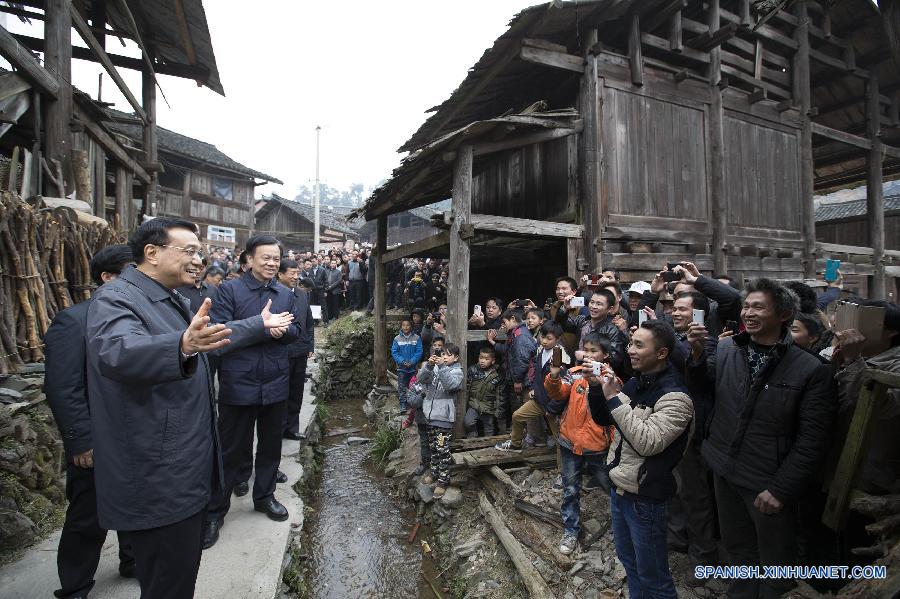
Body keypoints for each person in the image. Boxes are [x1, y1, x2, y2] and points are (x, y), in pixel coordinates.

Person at [85, 218, 236, 599]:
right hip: (158, 473)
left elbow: (208, 337)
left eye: (199, 252)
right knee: (168, 584)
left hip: (182, 467)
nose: (198, 259)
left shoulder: (167, 297)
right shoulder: (117, 298)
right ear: (151, 253)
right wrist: (182, 346)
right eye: (189, 251)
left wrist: (257, 325)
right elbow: (118, 351)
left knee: (178, 579)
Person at [687, 278, 836, 599]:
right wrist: (698, 353)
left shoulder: (810, 369)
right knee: (740, 552)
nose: (749, 313)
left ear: (783, 314)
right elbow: (704, 387)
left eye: (759, 307)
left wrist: (781, 488)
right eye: (746, 306)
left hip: (767, 481)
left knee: (776, 567)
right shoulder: (728, 348)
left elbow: (813, 439)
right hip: (725, 470)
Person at [45, 244, 136, 599]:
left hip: (135, 434)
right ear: (108, 277)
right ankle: (75, 585)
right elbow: (62, 386)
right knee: (87, 516)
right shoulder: (75, 320)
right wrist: (80, 440)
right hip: (96, 440)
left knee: (135, 505)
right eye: (130, 271)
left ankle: (132, 561)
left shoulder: (138, 316)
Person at [204, 235, 301, 549]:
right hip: (239, 382)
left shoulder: (285, 294)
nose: (272, 263)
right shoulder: (229, 290)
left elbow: (295, 331)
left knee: (271, 447)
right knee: (230, 450)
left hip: (275, 382)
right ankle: (216, 512)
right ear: (249, 258)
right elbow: (220, 335)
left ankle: (265, 496)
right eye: (266, 258)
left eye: (276, 258)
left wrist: (283, 331)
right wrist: (261, 326)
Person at [589, 321, 694, 599]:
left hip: (646, 497)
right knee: (631, 564)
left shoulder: (676, 397)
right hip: (621, 489)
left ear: (661, 353)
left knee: (654, 577)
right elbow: (604, 418)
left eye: (638, 345)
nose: (630, 351)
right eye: (630, 343)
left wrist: (612, 397)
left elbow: (647, 442)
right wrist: (598, 389)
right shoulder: (637, 382)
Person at [544, 332, 615, 555]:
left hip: (596, 445)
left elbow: (615, 405)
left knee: (611, 485)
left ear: (605, 355)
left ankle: (622, 527)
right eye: (586, 349)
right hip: (570, 441)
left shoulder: (610, 378)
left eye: (595, 351)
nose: (589, 354)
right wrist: (554, 376)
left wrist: (604, 380)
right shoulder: (573, 375)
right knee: (570, 488)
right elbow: (556, 393)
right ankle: (571, 530)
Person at [494, 320, 568, 454]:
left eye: (549, 338)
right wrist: (535, 388)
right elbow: (537, 374)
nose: (544, 341)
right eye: (542, 336)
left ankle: (562, 473)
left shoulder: (560, 359)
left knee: (560, 442)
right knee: (517, 416)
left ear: (557, 339)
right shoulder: (542, 351)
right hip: (540, 399)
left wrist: (552, 409)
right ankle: (515, 444)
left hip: (553, 405)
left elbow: (562, 389)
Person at [418, 343, 464, 499]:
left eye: (448, 354)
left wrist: (442, 367)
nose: (444, 357)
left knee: (443, 449)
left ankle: (443, 481)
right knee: (433, 448)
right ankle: (435, 472)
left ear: (456, 357)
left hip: (443, 419)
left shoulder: (457, 372)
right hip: (430, 417)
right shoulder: (436, 368)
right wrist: (429, 366)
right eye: (443, 354)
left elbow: (451, 385)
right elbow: (421, 379)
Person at [278, 259, 315, 441]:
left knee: (296, 390)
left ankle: (292, 428)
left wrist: (310, 345)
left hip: (300, 350)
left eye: (297, 273)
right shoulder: (274, 294)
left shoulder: (302, 294)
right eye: (291, 273)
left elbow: (309, 322)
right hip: (281, 351)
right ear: (280, 274)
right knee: (280, 391)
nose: (295, 277)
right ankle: (278, 427)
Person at [558, 288, 628, 377]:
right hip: (578, 371)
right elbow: (560, 325)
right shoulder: (582, 320)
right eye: (592, 302)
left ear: (610, 309)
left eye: (599, 304)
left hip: (599, 376)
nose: (593, 306)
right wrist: (565, 308)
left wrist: (585, 356)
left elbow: (615, 358)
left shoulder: (612, 329)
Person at [489, 309, 537, 425]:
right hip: (521, 379)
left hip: (526, 381)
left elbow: (521, 361)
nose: (503, 325)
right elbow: (508, 351)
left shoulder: (520, 336)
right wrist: (492, 342)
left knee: (524, 410)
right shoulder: (515, 333)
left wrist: (517, 380)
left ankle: (530, 438)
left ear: (513, 319)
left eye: (505, 322)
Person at [464, 347, 506, 438]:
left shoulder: (498, 375)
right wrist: (465, 405)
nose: (482, 361)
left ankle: (488, 445)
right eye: (481, 358)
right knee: (468, 422)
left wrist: (499, 412)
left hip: (489, 406)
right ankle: (472, 441)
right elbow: (466, 390)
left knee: (489, 427)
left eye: (486, 359)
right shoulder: (473, 370)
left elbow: (500, 395)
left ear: (493, 361)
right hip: (474, 404)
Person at [391, 318, 423, 411]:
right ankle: (403, 404)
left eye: (407, 325)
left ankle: (412, 403)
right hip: (401, 367)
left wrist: (412, 361)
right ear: (401, 327)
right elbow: (394, 352)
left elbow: (419, 351)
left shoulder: (417, 338)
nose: (406, 327)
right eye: (403, 325)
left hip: (413, 367)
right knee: (402, 386)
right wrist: (402, 361)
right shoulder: (397, 338)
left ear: (411, 326)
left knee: (413, 386)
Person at [324, 257, 344, 323]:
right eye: (332, 263)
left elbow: (338, 281)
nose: (333, 264)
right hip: (328, 291)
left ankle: (336, 316)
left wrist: (331, 286)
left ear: (336, 264)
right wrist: (327, 287)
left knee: (335, 304)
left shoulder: (338, 272)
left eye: (334, 263)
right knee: (329, 304)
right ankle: (330, 316)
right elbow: (325, 280)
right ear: (330, 264)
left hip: (335, 291)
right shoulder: (327, 271)